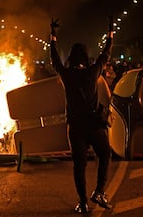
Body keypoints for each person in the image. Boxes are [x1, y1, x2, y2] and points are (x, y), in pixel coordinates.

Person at [50, 17, 113, 213]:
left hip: (75, 128)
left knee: (79, 166)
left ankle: (83, 202)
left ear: (71, 57)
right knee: (105, 154)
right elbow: (105, 55)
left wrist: (53, 37)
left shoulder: (66, 75)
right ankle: (99, 191)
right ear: (86, 58)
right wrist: (111, 35)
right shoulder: (93, 72)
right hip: (94, 125)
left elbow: (54, 60)